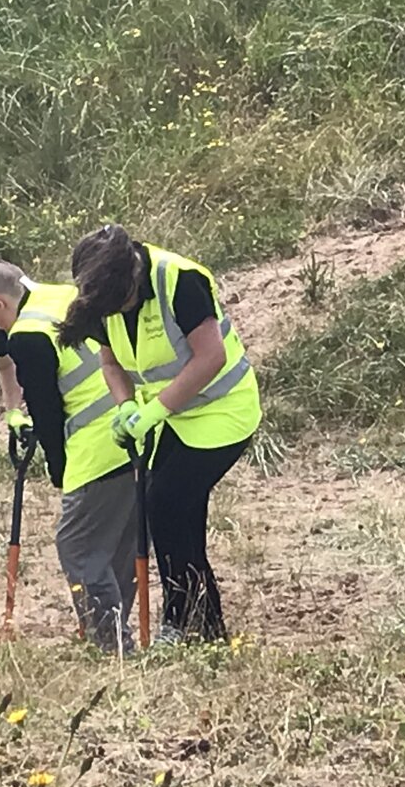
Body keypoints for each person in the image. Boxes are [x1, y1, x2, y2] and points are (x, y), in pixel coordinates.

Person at [56, 224, 260, 644]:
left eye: (124, 302)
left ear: (132, 274)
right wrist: (127, 405)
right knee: (175, 516)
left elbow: (211, 357)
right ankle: (205, 627)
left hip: (224, 412)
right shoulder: (102, 296)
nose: (120, 311)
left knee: (164, 504)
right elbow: (111, 364)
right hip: (174, 415)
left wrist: (154, 411)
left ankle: (181, 621)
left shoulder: (181, 282)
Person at [0, 257, 137, 654]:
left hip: (97, 448)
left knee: (77, 546)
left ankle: (108, 643)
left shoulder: (26, 333)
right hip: (136, 429)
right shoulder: (63, 294)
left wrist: (58, 469)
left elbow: (46, 409)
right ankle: (116, 629)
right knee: (118, 543)